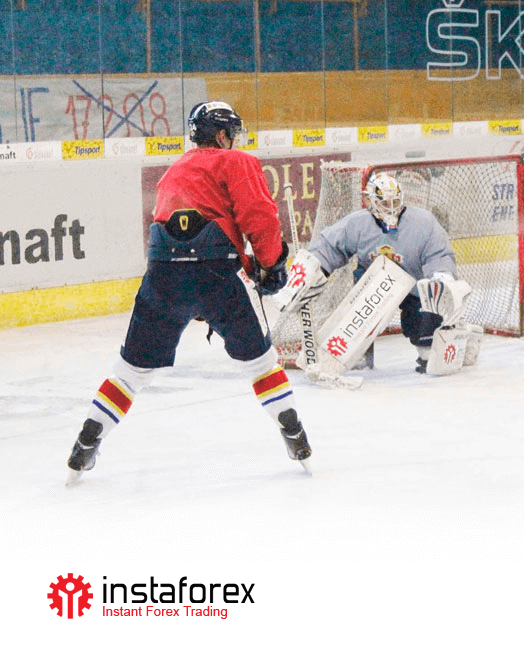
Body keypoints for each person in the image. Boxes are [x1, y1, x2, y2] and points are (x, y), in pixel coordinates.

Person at [67, 101, 311, 482]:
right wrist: (271, 264)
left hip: (163, 277)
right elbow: (259, 216)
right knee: (261, 364)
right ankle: (293, 432)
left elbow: (175, 236)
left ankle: (87, 439)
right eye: (232, 133)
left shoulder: (175, 169)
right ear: (221, 135)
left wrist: (207, 281)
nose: (235, 140)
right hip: (217, 276)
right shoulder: (237, 162)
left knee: (129, 372)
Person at [299, 172, 459, 373]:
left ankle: (428, 352)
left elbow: (439, 254)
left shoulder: (423, 222)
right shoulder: (357, 224)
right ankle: (357, 353)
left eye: (395, 201)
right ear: (370, 202)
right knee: (358, 312)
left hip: (414, 286)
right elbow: (330, 246)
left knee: (426, 318)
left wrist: (441, 275)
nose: (391, 208)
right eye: (384, 203)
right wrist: (314, 267)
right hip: (374, 287)